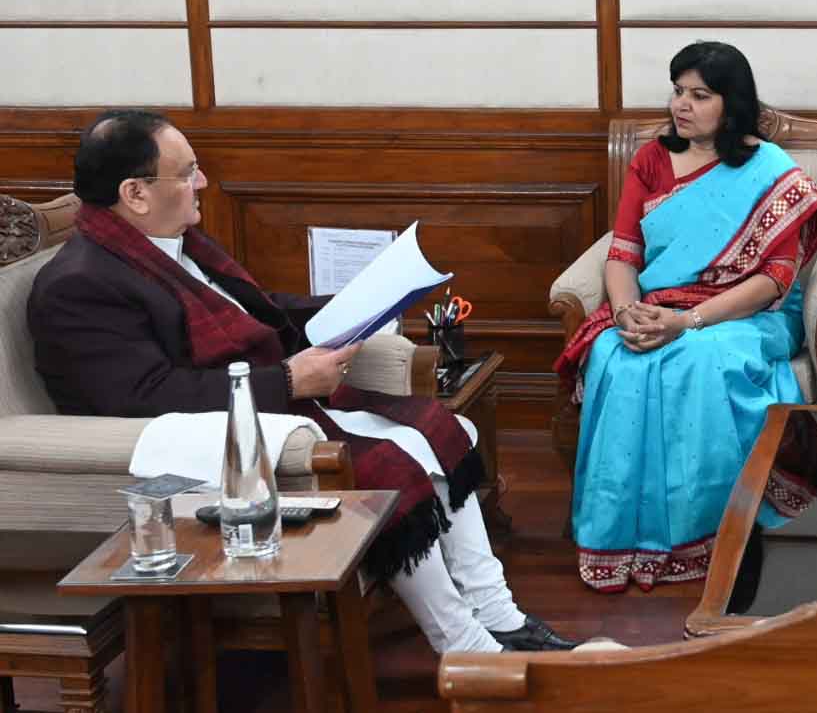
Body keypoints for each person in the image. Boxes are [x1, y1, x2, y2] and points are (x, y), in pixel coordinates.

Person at [29, 109, 575, 655]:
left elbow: (255, 314)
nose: (202, 183)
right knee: (398, 464)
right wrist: (288, 380)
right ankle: (466, 646)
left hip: (269, 408)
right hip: (217, 447)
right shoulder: (79, 286)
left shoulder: (176, 242)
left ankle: (497, 613)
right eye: (188, 171)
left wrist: (363, 307)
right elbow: (143, 399)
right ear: (136, 192)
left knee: (439, 429)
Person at [553, 41, 817, 592]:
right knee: (614, 354)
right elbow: (624, 252)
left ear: (731, 105)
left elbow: (774, 279)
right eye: (678, 91)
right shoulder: (651, 159)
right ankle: (621, 538)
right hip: (657, 303)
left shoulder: (770, 169)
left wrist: (688, 322)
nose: (682, 105)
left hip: (744, 312)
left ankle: (708, 535)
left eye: (699, 95)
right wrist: (626, 311)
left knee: (702, 360)